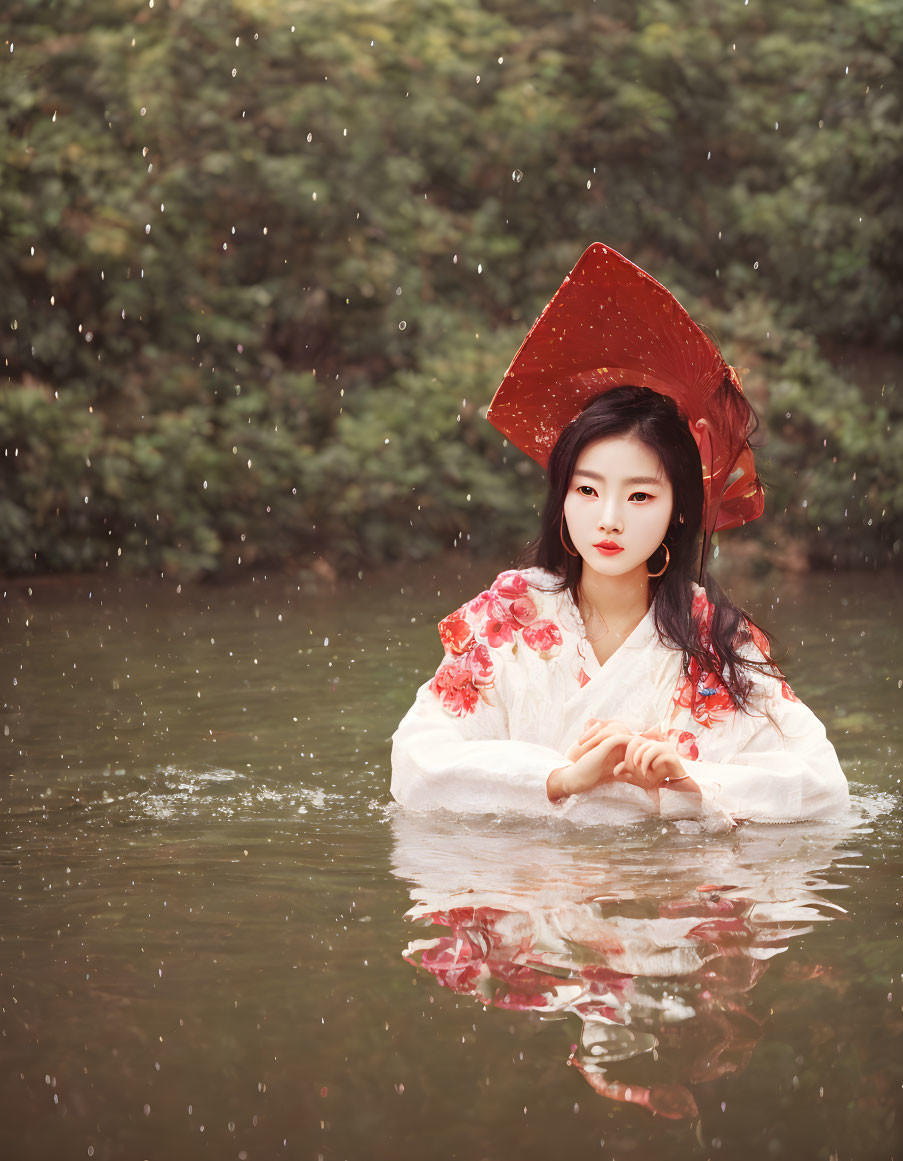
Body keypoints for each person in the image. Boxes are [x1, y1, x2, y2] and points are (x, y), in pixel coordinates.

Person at [390, 243, 849, 828]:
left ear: (677, 510)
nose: (608, 519)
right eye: (586, 491)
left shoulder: (714, 639)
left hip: (661, 897)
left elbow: (823, 791)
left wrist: (685, 779)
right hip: (528, 886)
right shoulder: (508, 616)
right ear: (561, 496)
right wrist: (560, 780)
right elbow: (416, 768)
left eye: (639, 496)